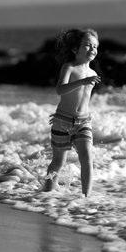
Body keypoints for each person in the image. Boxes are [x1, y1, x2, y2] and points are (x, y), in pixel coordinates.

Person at [44, 28, 101, 197]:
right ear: (75, 49)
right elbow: (60, 90)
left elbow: (84, 99)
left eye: (95, 47)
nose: (92, 49)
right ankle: (45, 193)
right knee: (58, 161)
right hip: (63, 121)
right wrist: (83, 81)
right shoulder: (69, 67)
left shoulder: (93, 73)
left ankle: (85, 198)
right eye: (88, 45)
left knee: (87, 159)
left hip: (84, 122)